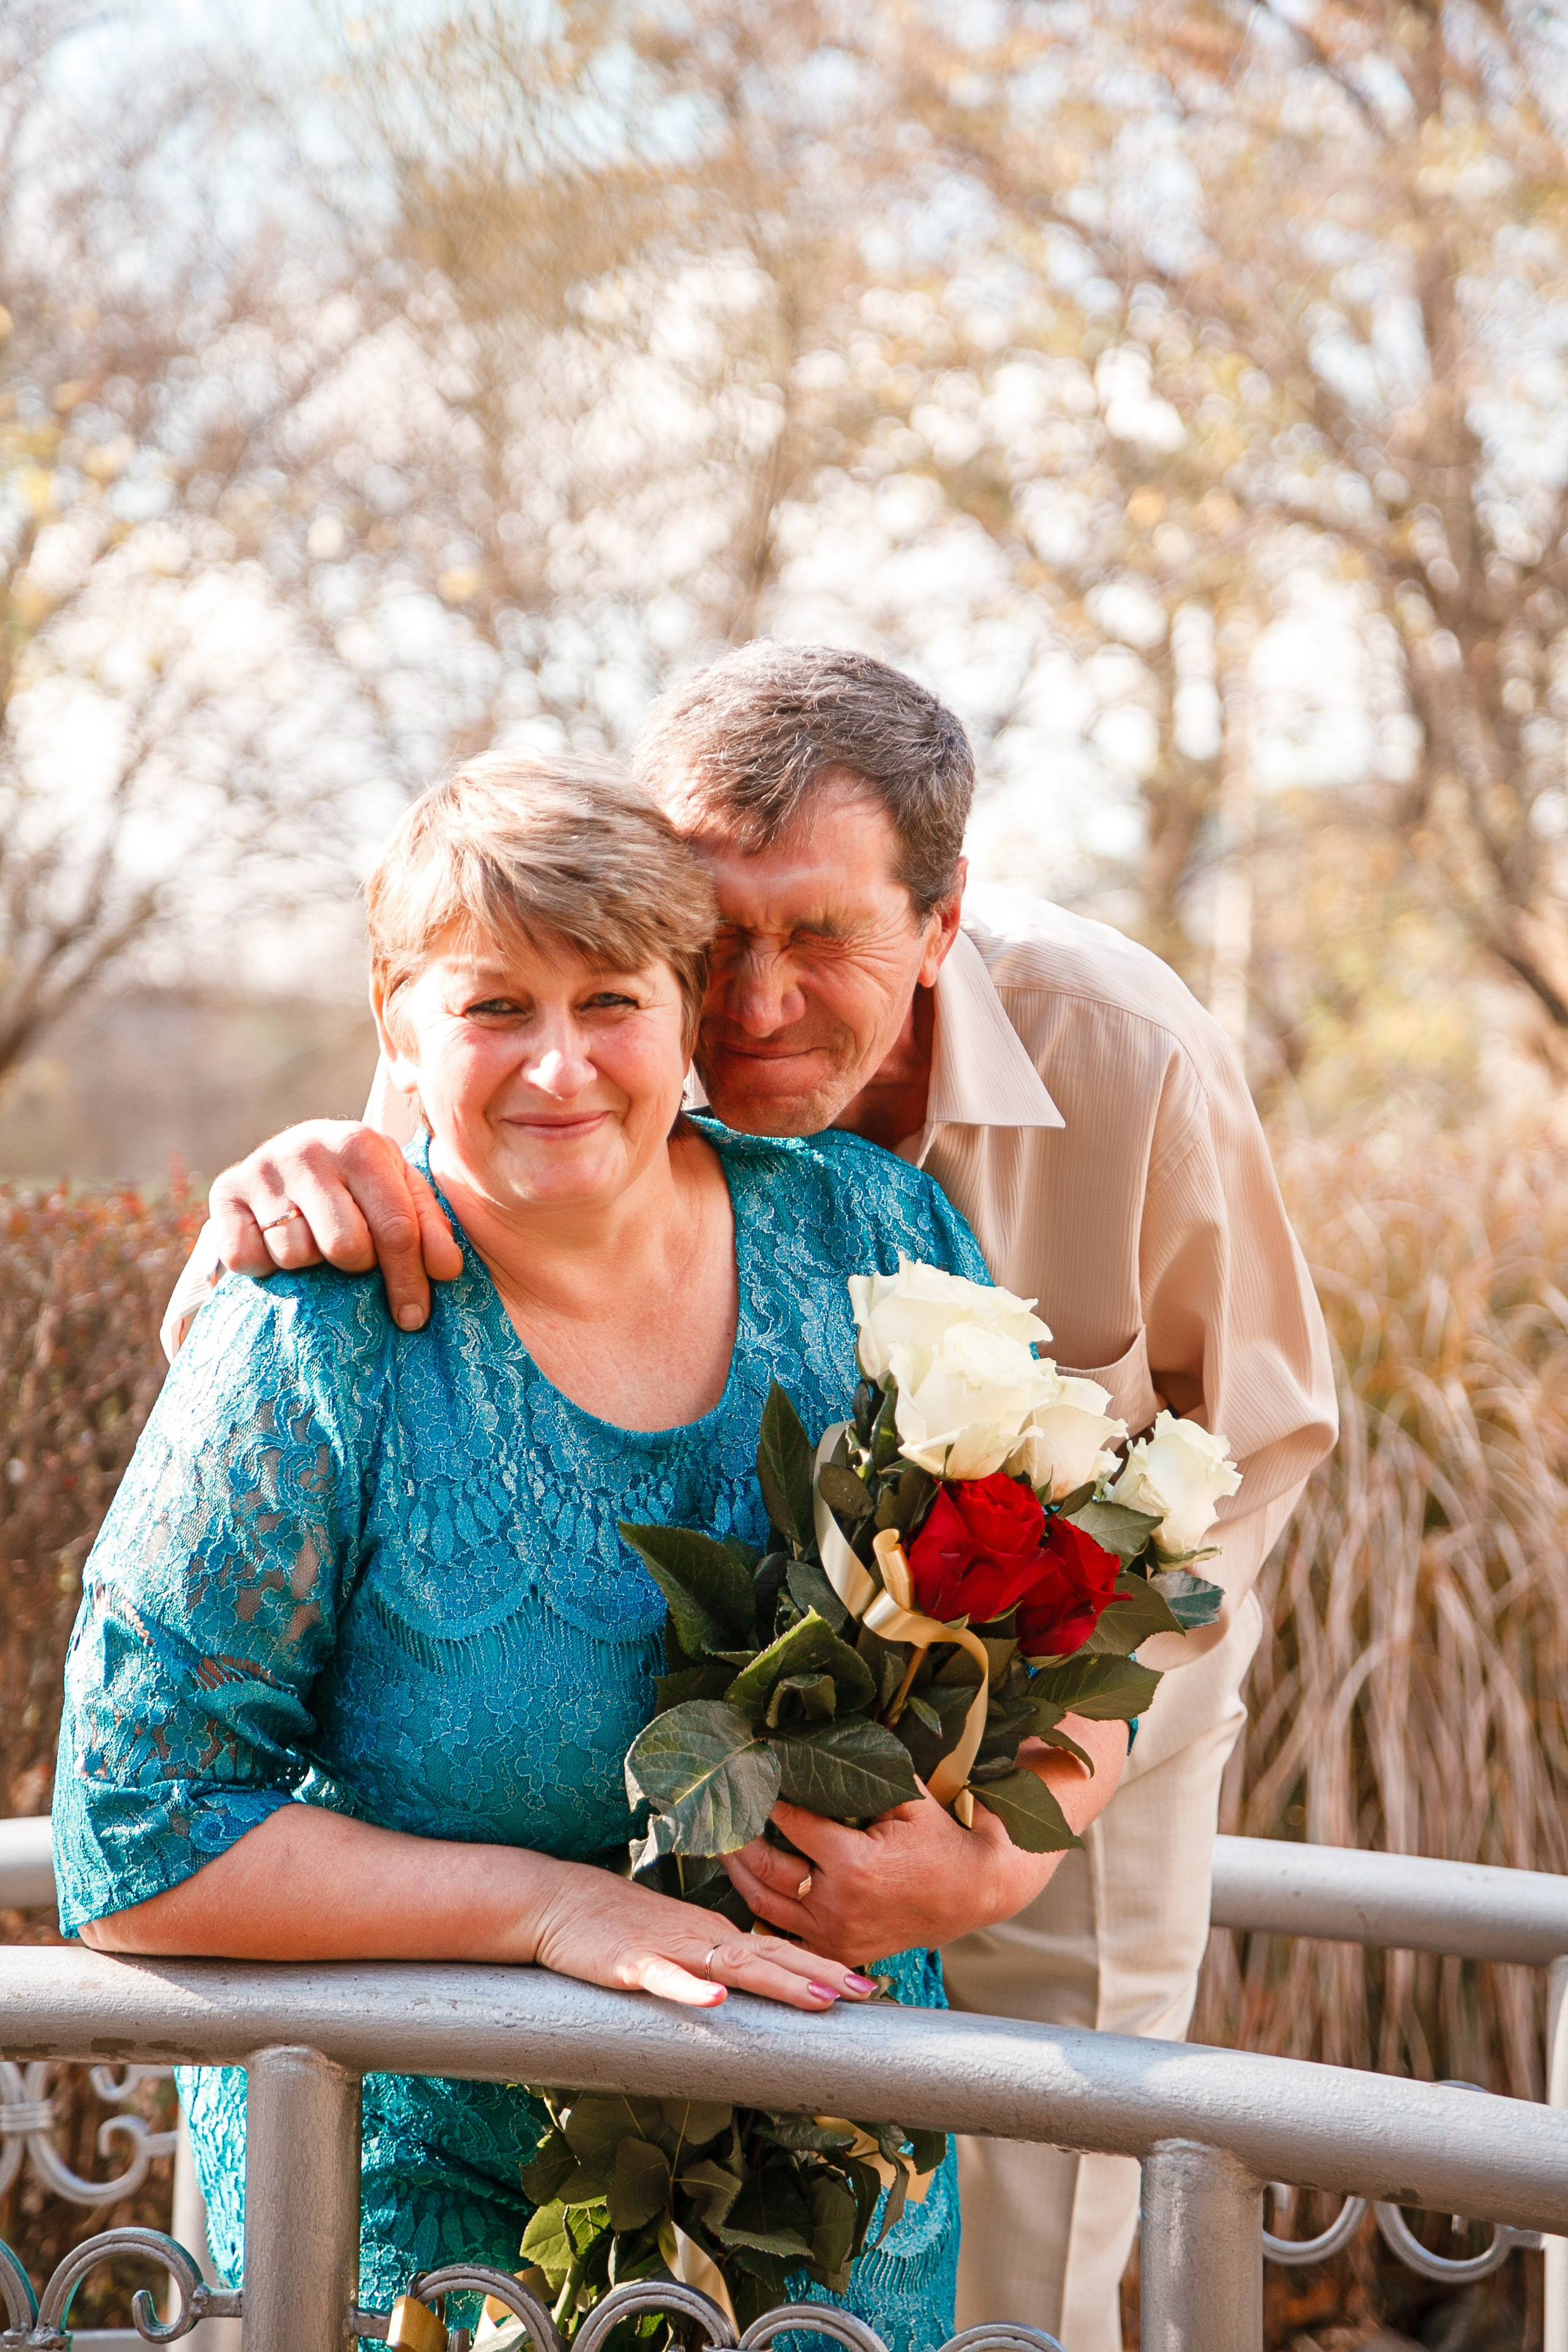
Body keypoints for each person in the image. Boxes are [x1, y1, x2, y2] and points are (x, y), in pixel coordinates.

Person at [164, 646, 1338, 2352]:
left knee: (1036, 2233)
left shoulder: (1132, 1050)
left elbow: (1257, 1451)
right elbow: (325, 1303)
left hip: (1070, 1726)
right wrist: (262, 1204)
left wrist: (1016, 1837)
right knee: (670, 2214)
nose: (755, 1004)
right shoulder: (608, 1011)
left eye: (824, 939)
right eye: (720, 938)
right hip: (702, 1716)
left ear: (942, 926)